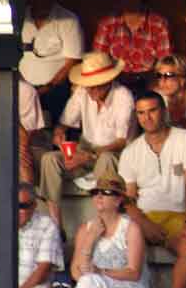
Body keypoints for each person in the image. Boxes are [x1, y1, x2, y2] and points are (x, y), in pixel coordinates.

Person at [39, 171, 149, 288]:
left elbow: (134, 272)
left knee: (90, 281)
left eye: (106, 192)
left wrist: (101, 272)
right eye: (95, 192)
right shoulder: (86, 229)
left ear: (118, 200)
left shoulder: (131, 228)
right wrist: (90, 239)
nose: (98, 196)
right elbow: (75, 272)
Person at [117, 91, 186, 288]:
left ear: (163, 112)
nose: (147, 118)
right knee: (123, 237)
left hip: (177, 214)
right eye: (141, 113)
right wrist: (145, 224)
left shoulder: (185, 138)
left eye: (152, 111)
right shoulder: (130, 151)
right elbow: (128, 200)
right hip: (144, 216)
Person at [39, 51, 135, 227]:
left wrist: (90, 155)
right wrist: (59, 134)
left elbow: (121, 142)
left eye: (95, 85)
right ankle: (56, 225)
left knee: (106, 159)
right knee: (49, 159)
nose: (90, 90)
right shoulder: (83, 92)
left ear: (108, 82)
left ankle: (104, 223)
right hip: (86, 149)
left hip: (115, 153)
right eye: (88, 85)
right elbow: (64, 123)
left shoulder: (124, 96)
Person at [19, 0, 84, 126]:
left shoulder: (68, 19)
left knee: (59, 96)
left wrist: (46, 88)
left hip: (54, 88)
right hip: (21, 86)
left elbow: (72, 62)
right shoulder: (19, 18)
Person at [93, 0, 172, 92]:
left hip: (148, 83)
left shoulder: (158, 24)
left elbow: (165, 63)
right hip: (115, 83)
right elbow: (98, 60)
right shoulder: (107, 24)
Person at [0, 69, 45, 184]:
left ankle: (26, 201)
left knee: (21, 158)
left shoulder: (25, 91)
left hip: (14, 146)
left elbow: (24, 140)